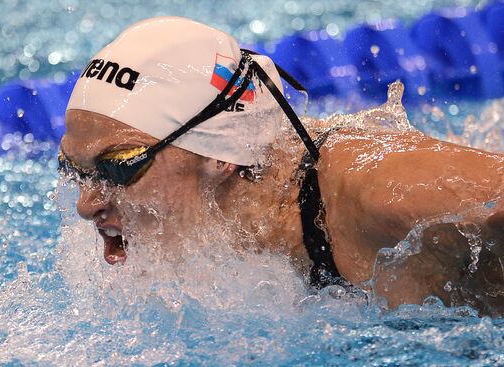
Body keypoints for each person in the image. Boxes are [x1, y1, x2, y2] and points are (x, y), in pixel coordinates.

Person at [59, 16, 504, 315]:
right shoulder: (238, 227)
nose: (86, 203)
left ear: (218, 154)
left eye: (119, 166)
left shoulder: (376, 191)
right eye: (74, 170)